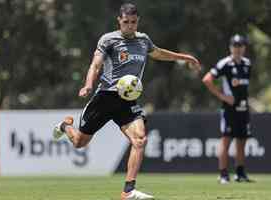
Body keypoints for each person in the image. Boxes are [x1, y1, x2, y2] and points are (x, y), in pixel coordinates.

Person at [54, 3, 201, 200]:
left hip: (127, 100)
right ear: (119, 21)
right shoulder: (108, 40)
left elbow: (158, 53)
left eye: (133, 22)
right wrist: (88, 85)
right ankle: (64, 126)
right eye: (126, 22)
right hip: (105, 98)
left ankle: (128, 191)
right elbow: (95, 65)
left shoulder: (143, 40)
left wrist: (185, 58)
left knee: (140, 139)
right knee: (80, 142)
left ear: (137, 21)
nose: (130, 26)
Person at [202, 34, 252, 184]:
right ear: (230, 47)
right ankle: (223, 174)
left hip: (244, 107)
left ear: (244, 48)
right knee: (226, 140)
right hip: (229, 109)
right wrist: (223, 96)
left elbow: (244, 86)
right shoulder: (225, 64)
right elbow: (207, 79)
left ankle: (240, 173)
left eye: (240, 46)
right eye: (235, 46)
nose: (237, 49)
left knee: (242, 140)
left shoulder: (247, 64)